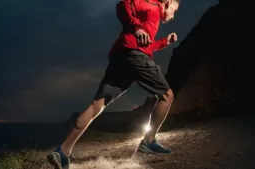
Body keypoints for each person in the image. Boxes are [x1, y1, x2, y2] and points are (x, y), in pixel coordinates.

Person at [47, 0, 180, 168]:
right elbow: (123, 4)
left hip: (122, 56)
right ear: (167, 3)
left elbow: (146, 44)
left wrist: (164, 42)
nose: (173, 15)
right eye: (174, 10)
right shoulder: (151, 5)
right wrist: (137, 28)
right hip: (134, 55)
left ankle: (63, 152)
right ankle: (148, 140)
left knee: (97, 105)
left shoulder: (150, 16)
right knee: (167, 95)